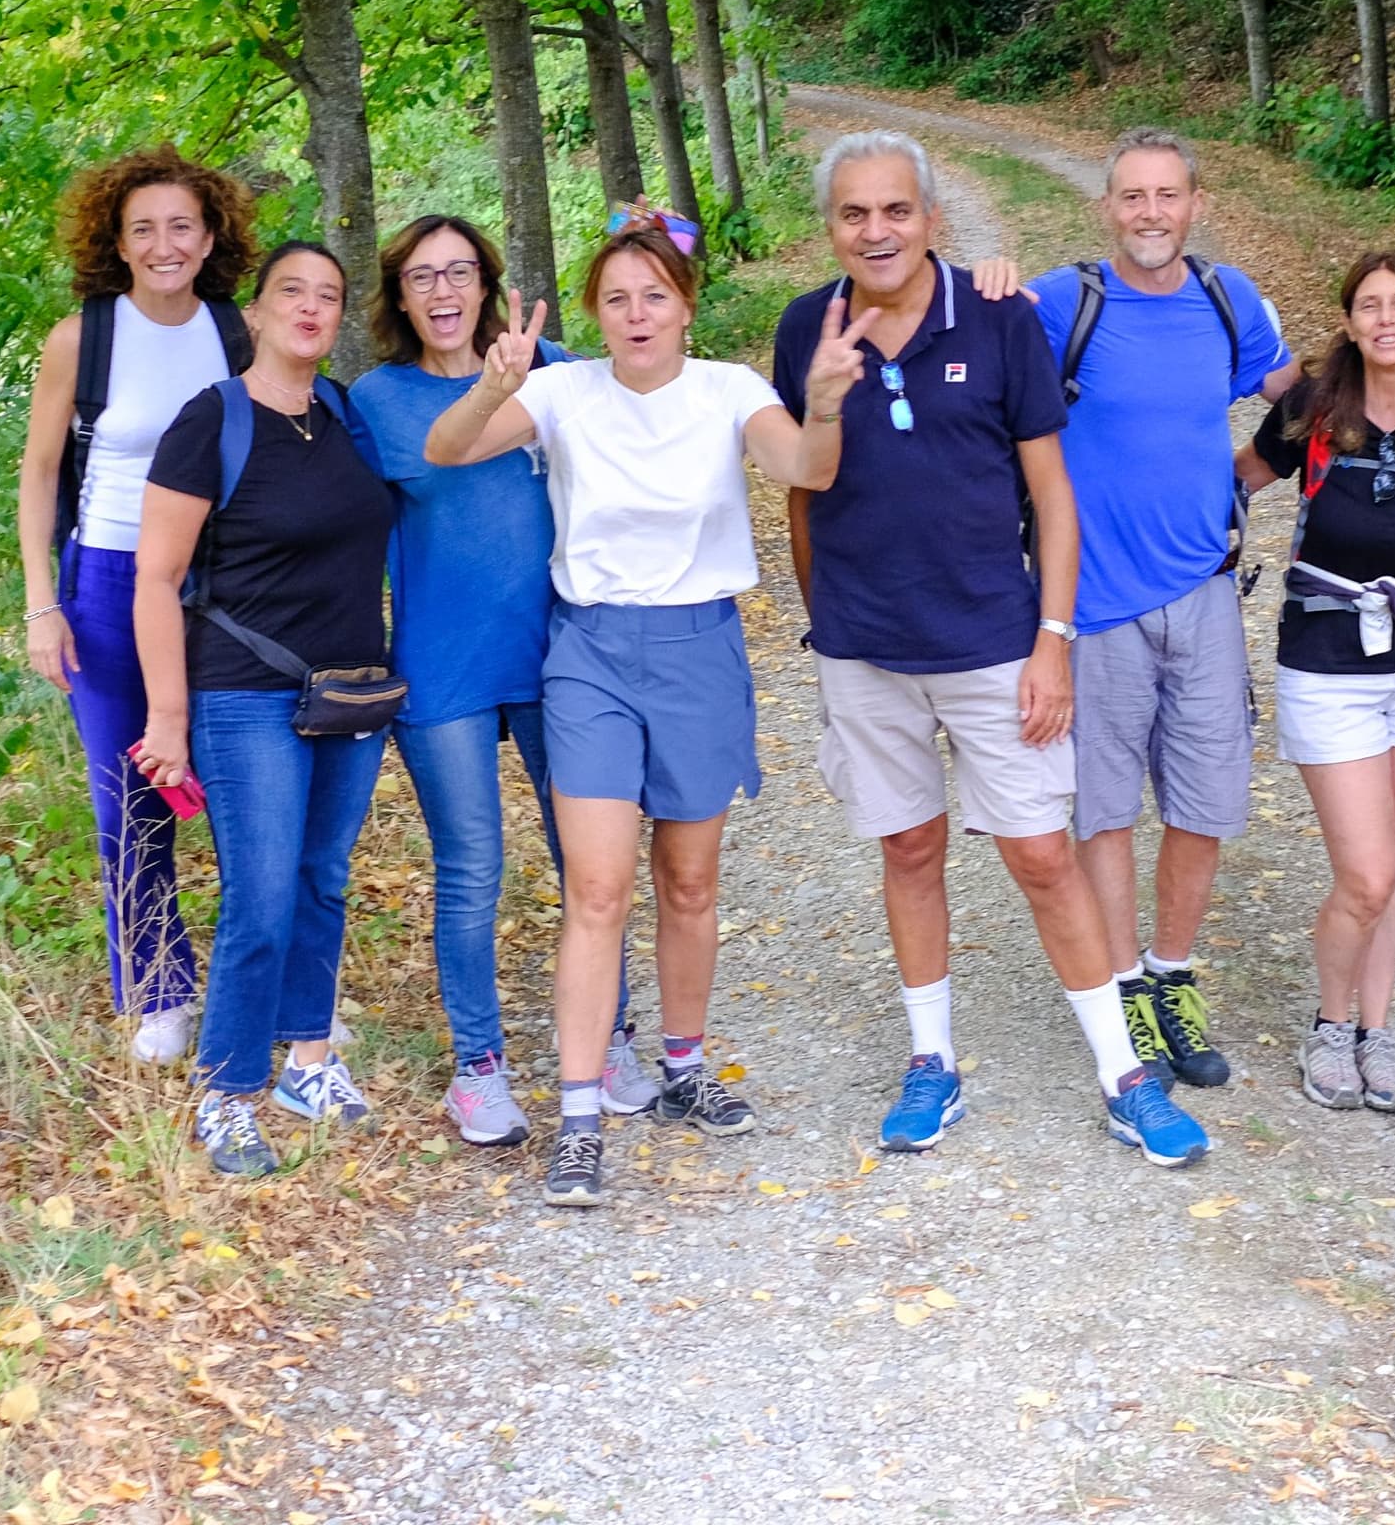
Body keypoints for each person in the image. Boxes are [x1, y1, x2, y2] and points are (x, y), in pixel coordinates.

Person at [781, 131, 1211, 1171]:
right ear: (831, 226)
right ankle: (933, 1060)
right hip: (865, 647)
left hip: (988, 638)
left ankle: (1124, 1075)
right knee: (909, 848)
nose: (875, 230)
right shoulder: (808, 327)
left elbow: (1053, 496)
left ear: (931, 217)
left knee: (1041, 855)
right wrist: (823, 618)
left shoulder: (1000, 316)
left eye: (895, 209)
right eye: (853, 213)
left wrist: (1053, 642)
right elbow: (802, 482)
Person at [425, 222, 857, 1208]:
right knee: (599, 886)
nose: (635, 315)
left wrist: (825, 405)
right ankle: (581, 1118)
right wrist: (495, 381)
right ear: (595, 312)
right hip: (591, 655)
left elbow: (807, 468)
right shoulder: (562, 392)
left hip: (700, 648)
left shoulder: (730, 389)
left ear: (686, 304)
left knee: (690, 880)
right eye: (616, 299)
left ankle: (683, 1062)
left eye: (653, 296)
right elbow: (445, 450)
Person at [348, 215, 654, 1148]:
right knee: (472, 868)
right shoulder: (380, 395)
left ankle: (607, 1039)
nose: (444, 292)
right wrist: (497, 385)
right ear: (400, 298)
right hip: (444, 668)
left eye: (460, 273)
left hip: (562, 655)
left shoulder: (551, 364)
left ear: (487, 284)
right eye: (423, 277)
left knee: (586, 864)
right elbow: (444, 449)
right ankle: (478, 1067)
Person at [129, 240, 398, 1178]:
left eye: (328, 296)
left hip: (353, 687)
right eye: (293, 292)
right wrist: (168, 718)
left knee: (322, 876)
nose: (311, 309)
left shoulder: (343, 412)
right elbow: (155, 579)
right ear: (253, 312)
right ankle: (227, 1092)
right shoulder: (211, 423)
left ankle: (309, 1062)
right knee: (262, 894)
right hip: (246, 695)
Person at [1031, 129, 1291, 1092]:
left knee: (1205, 801)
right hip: (1093, 605)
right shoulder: (1068, 303)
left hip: (1206, 593)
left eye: (1167, 195)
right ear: (1108, 209)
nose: (1151, 213)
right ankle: (1124, 984)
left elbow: (1304, 396)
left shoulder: (1230, 302)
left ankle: (1173, 975)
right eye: (1133, 197)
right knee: (1104, 811)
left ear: (1196, 203)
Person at [13, 146, 258, 1068]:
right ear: (116, 243)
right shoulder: (84, 340)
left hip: (223, 586)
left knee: (245, 792)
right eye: (143, 229)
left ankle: (264, 988)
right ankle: (160, 991)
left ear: (210, 239)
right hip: (109, 582)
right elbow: (40, 473)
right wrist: (44, 603)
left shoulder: (239, 333)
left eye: (181, 227)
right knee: (131, 799)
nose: (164, 245)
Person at [1237, 249, 1395, 1116]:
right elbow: (1242, 477)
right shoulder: (1314, 409)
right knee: (1368, 871)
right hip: (1327, 661)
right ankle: (1330, 1024)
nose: (1387, 319)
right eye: (1369, 306)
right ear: (1349, 322)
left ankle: (1376, 1035)